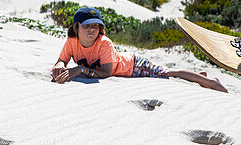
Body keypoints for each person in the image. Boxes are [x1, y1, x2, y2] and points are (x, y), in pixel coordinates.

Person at [51, 6, 227, 92]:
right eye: (87, 26)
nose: (92, 30)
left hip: (133, 65)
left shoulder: (104, 43)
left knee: (167, 73)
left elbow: (106, 73)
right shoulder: (71, 40)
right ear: (76, 27)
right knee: (167, 73)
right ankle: (198, 77)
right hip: (124, 67)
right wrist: (59, 65)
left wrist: (80, 69)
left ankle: (211, 82)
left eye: (96, 26)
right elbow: (63, 59)